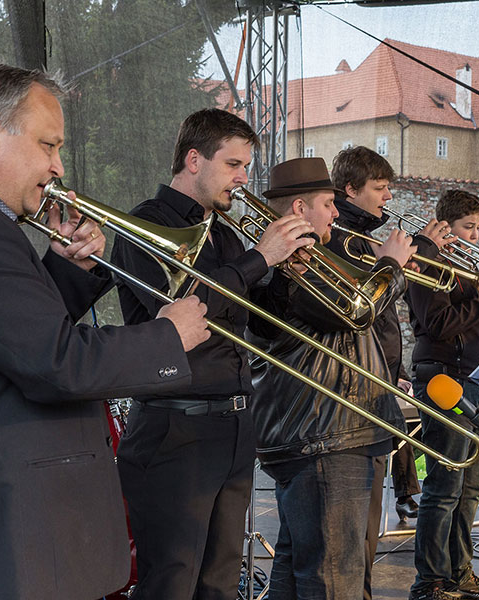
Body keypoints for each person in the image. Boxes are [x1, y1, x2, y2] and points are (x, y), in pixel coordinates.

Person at [0, 64, 211, 600]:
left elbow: (14, 340)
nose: (57, 166)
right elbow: (58, 364)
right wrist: (167, 336)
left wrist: (69, 269)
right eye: (48, 145)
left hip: (9, 546)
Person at [110, 109, 314, 600]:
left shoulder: (221, 233)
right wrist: (259, 258)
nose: (244, 178)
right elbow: (181, 313)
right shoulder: (145, 224)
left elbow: (256, 323)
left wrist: (286, 275)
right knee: (171, 581)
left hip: (233, 425)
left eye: (246, 165)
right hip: (175, 426)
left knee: (220, 582)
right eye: (234, 164)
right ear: (194, 159)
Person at [248, 156, 417, 599]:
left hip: (321, 432)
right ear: (300, 210)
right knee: (333, 578)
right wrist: (392, 267)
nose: (337, 213)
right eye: (328, 203)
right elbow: (355, 312)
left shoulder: (305, 260)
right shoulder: (296, 266)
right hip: (324, 434)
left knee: (297, 569)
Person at [329, 145, 451, 600]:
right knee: (351, 536)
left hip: (375, 380)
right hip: (352, 396)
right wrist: (412, 253)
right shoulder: (343, 235)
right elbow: (361, 306)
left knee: (363, 533)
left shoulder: (362, 235)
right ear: (350, 190)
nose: (387, 197)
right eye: (379, 189)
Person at [406, 189, 479, 600]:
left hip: (474, 379)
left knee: (472, 483)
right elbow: (438, 323)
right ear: (447, 225)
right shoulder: (428, 261)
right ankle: (431, 581)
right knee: (444, 487)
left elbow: (477, 322)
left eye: (477, 228)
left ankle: (459, 572)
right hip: (443, 379)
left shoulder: (467, 268)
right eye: (468, 228)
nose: (475, 237)